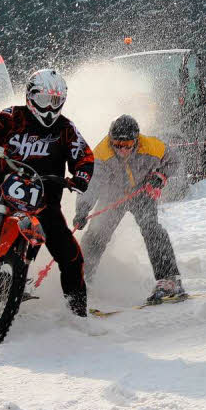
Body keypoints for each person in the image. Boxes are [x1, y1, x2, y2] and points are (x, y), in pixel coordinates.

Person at [0, 69, 95, 317]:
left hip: (44, 203)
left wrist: (81, 176)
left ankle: (78, 314)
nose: (50, 108)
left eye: (56, 101)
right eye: (44, 100)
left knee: (71, 256)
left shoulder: (65, 128)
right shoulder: (12, 117)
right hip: (2, 194)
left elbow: (83, 154)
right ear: (30, 97)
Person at [74, 114, 185, 304]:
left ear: (136, 140)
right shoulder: (101, 154)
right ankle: (80, 280)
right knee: (97, 232)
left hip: (141, 192)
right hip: (113, 194)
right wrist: (82, 209)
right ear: (111, 139)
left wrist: (160, 176)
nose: (122, 150)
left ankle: (169, 280)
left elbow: (173, 160)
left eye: (127, 145)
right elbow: (92, 185)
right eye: (117, 144)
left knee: (151, 228)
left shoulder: (150, 146)